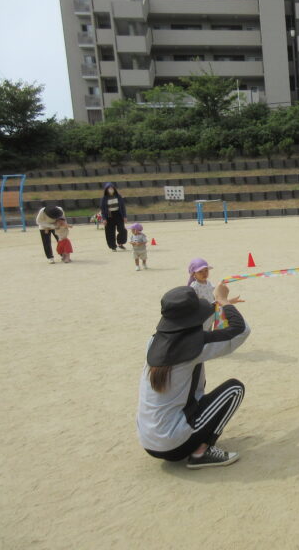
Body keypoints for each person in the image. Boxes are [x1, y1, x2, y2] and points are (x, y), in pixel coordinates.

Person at [136, 283, 250, 469]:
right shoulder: (193, 348)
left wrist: (220, 305)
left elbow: (195, 328)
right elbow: (240, 331)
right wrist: (223, 301)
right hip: (172, 444)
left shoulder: (154, 341)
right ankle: (202, 451)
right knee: (234, 389)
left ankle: (191, 440)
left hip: (148, 440)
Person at [99, 182, 127, 252]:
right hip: (109, 216)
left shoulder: (118, 196)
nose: (111, 190)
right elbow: (102, 210)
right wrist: (104, 219)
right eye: (109, 189)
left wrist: (124, 216)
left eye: (112, 188)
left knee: (122, 229)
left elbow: (123, 207)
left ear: (114, 189)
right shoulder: (104, 198)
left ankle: (120, 243)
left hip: (118, 214)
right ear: (106, 190)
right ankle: (113, 246)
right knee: (110, 232)